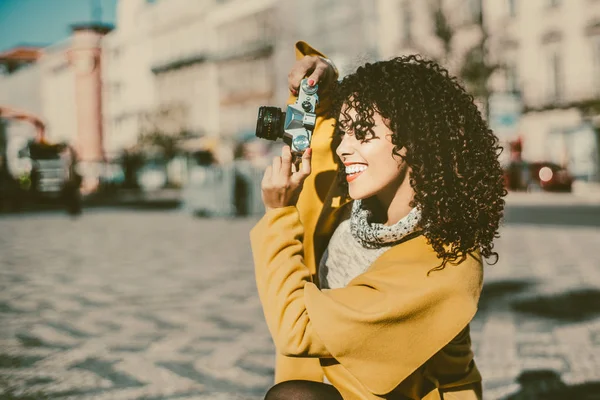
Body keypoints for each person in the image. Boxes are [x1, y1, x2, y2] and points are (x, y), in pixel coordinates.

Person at [250, 42, 506, 400]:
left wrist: (278, 213)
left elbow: (297, 329)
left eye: (363, 133)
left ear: (415, 141)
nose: (343, 147)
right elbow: (318, 156)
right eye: (345, 131)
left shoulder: (446, 262)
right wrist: (321, 91)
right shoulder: (357, 214)